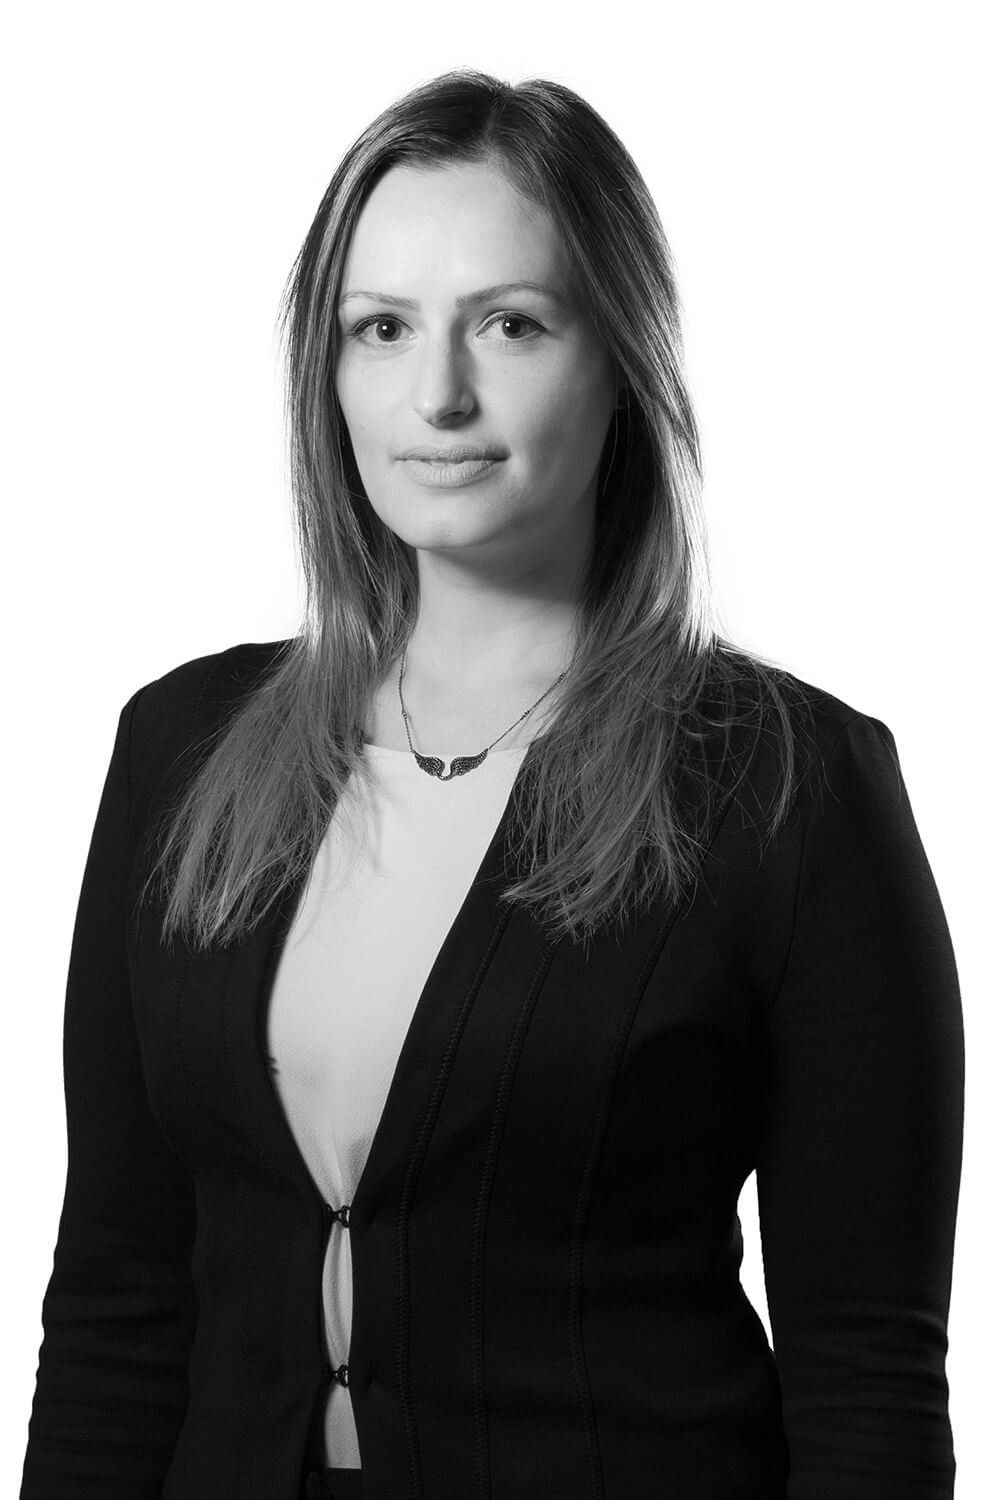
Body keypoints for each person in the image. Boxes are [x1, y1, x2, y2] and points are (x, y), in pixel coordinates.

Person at [18, 69, 964, 1500]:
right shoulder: (180, 751)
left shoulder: (791, 786)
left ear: (621, 359)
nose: (438, 394)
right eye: (381, 328)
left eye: (512, 323)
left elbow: (868, 1377)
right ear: (328, 373)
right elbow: (116, 1302)